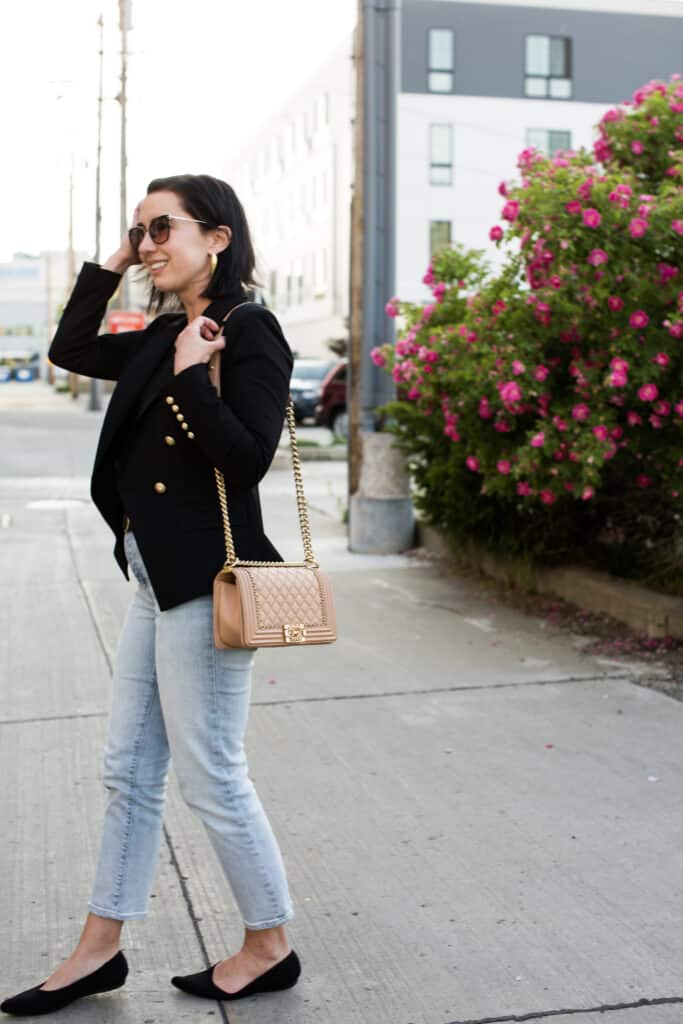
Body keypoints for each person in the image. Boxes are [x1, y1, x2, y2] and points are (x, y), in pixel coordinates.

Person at [1, 174, 301, 1017]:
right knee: (129, 770)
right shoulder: (165, 328)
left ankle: (269, 942)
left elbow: (244, 462)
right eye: (140, 232)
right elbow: (68, 348)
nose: (148, 245)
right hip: (152, 579)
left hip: (209, 583)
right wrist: (110, 262)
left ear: (217, 236)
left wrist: (193, 378)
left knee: (210, 773)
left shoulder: (249, 331)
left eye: (161, 228)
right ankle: (99, 950)